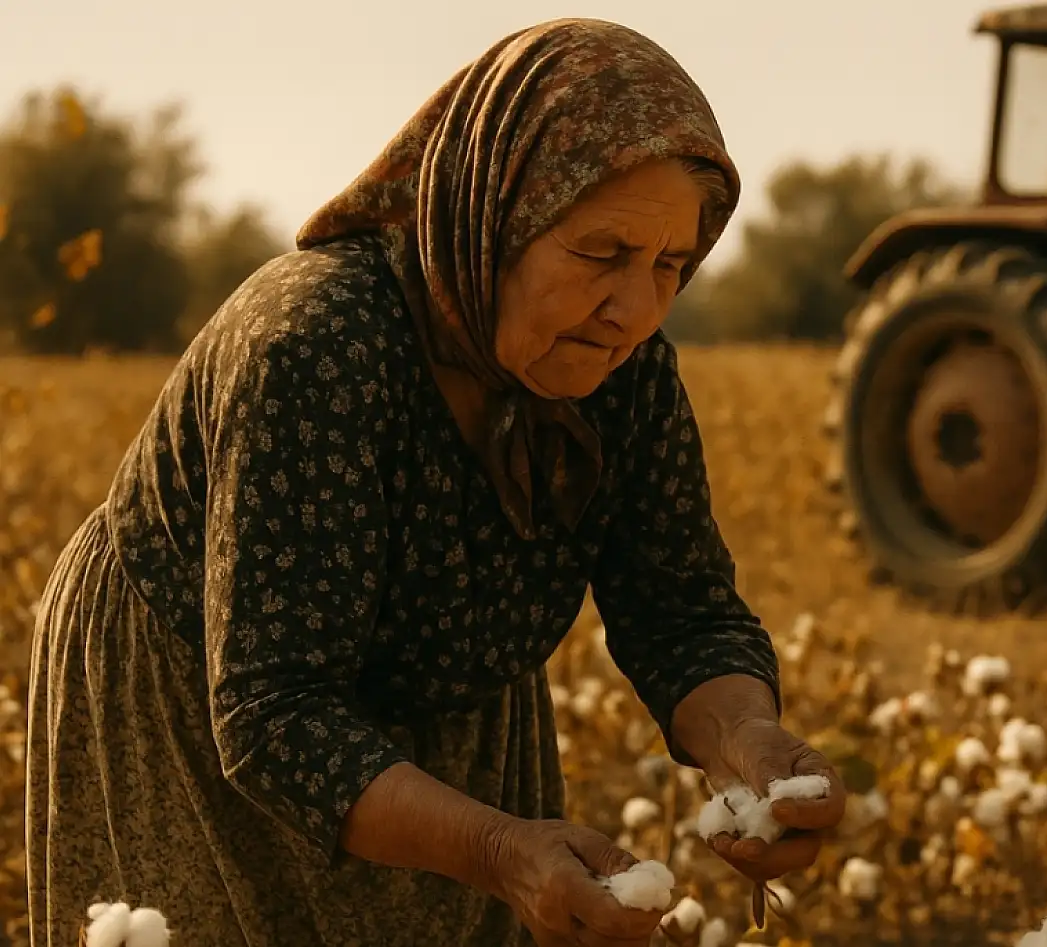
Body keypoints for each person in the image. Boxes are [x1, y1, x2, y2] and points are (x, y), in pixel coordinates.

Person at [25, 18, 846, 947]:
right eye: (602, 254)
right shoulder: (314, 345)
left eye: (670, 265)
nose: (635, 309)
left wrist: (747, 742)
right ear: (493, 218)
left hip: (448, 696)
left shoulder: (624, 369)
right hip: (200, 703)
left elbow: (682, 610)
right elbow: (274, 710)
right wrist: (500, 849)